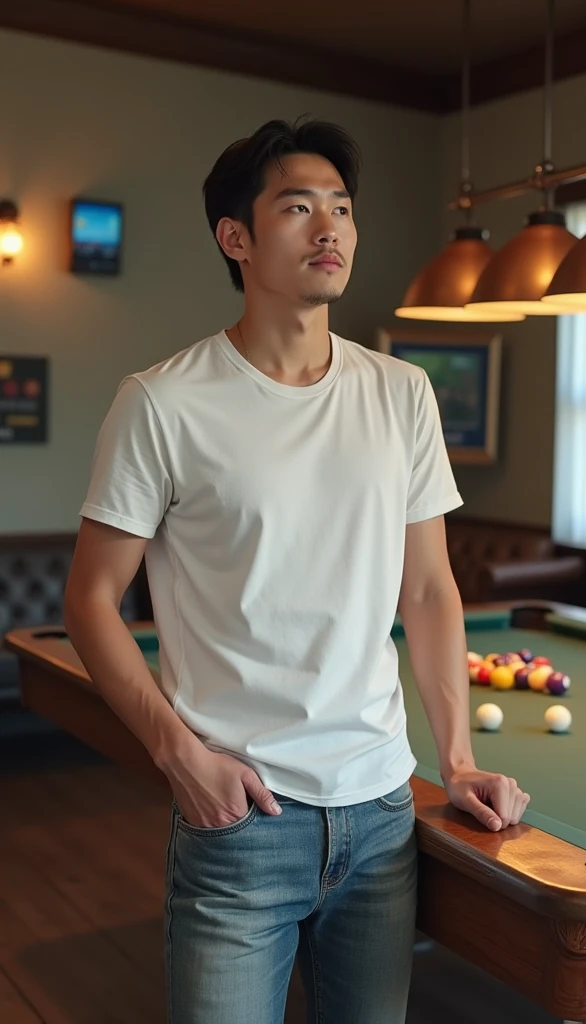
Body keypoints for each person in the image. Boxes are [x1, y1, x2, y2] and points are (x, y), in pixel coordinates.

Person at [64, 117, 530, 1024]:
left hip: (384, 813)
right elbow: (89, 601)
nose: (332, 229)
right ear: (235, 238)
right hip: (243, 824)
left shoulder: (401, 394)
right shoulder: (162, 402)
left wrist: (459, 758)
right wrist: (181, 759)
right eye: (299, 207)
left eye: (343, 208)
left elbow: (429, 589)